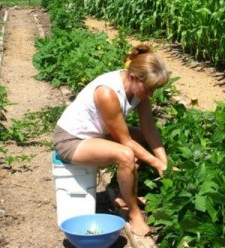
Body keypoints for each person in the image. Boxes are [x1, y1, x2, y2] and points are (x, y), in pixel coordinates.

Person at [53, 43, 169, 236]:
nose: (150, 95)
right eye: (148, 89)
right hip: (71, 140)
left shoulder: (138, 87)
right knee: (125, 155)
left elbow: (150, 130)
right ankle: (134, 215)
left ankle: (125, 193)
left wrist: (165, 163)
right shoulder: (108, 92)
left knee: (142, 138)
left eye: (153, 90)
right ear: (132, 77)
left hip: (95, 135)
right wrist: (156, 163)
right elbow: (125, 141)